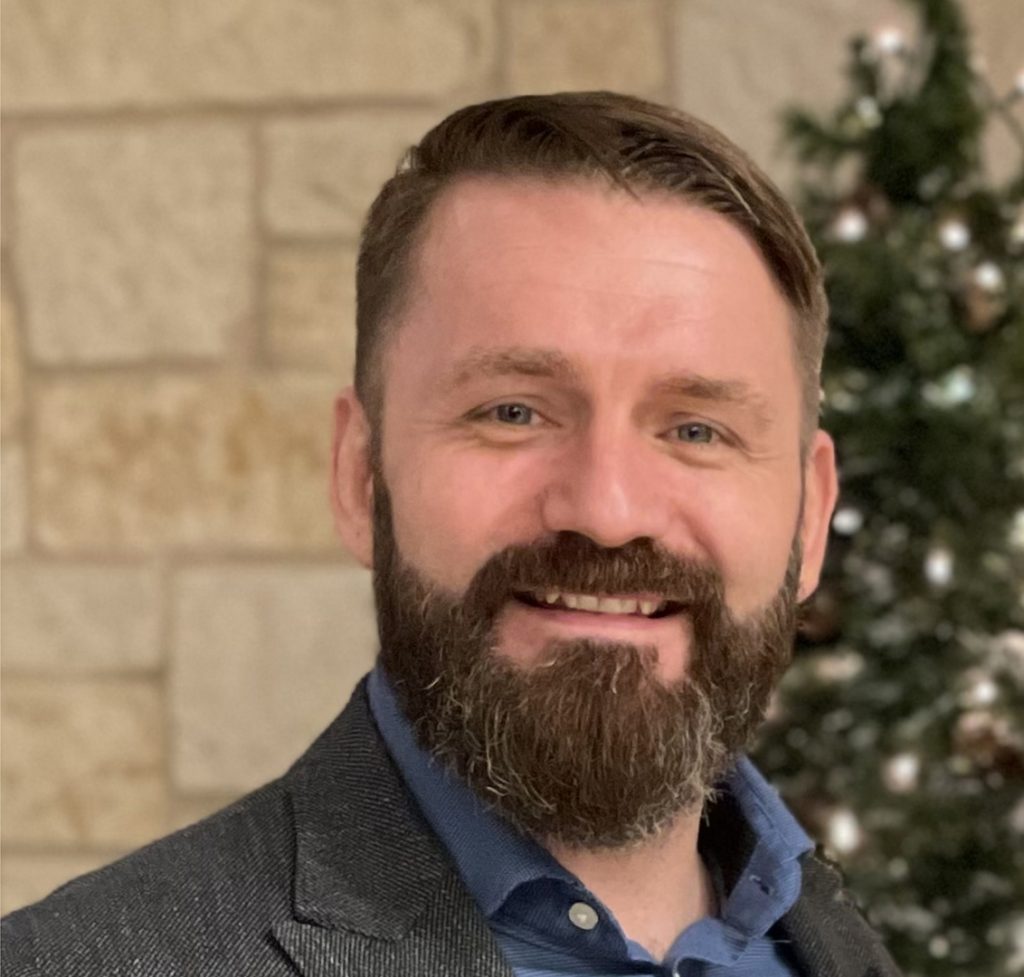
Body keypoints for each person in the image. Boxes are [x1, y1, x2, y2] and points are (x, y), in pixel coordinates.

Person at [1, 92, 901, 977]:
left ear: (809, 513)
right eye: (513, 411)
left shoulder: (842, 947)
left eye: (696, 428)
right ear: (362, 476)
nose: (606, 507)